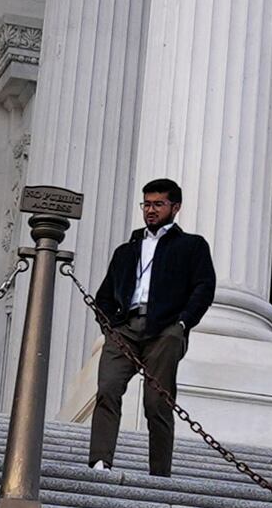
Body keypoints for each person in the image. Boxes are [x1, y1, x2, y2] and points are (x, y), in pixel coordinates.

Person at [85, 175, 215, 476]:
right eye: (146, 204)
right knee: (107, 389)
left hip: (165, 330)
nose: (151, 210)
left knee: (157, 402)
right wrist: (109, 326)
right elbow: (104, 294)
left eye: (158, 204)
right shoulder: (126, 250)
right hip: (125, 328)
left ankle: (159, 473)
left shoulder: (192, 246)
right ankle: (100, 461)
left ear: (175, 207)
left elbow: (204, 287)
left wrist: (182, 324)